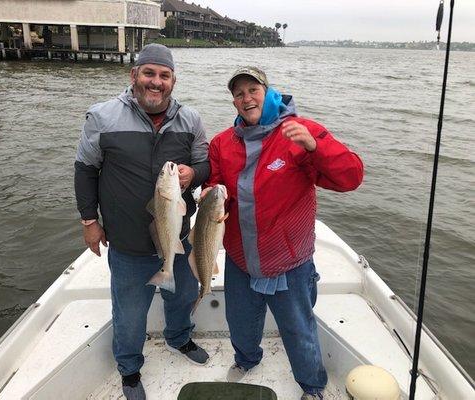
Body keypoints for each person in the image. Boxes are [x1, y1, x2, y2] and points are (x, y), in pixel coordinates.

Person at [204, 67, 364, 400]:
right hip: (239, 257)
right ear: (233, 101)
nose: (246, 98)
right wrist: (209, 193)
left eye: (253, 90)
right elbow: (217, 186)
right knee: (241, 321)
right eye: (238, 93)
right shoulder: (222, 142)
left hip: (289, 261)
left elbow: (351, 177)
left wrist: (314, 149)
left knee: (299, 330)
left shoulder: (300, 130)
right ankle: (247, 359)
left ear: (268, 90)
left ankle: (312, 385)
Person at [74, 44, 210, 400]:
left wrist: (192, 173)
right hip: (128, 243)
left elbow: (206, 166)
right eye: (149, 73)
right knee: (130, 314)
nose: (156, 82)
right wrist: (90, 220)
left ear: (173, 81)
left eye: (164, 76)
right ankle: (130, 369)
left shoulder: (191, 120)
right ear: (133, 75)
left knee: (181, 298)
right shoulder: (102, 117)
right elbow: (85, 170)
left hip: (178, 239)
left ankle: (179, 338)